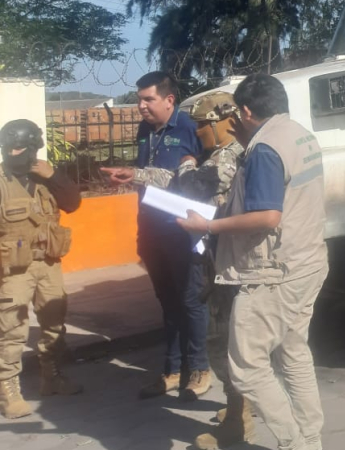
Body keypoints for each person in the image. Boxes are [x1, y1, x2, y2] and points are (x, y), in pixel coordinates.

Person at [179, 73, 328, 450]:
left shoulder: (264, 148)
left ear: (246, 111)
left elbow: (267, 216)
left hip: (272, 275)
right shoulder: (299, 134)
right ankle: (311, 439)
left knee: (246, 369)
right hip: (307, 262)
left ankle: (295, 442)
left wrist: (209, 225)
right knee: (293, 354)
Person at [101, 71, 210, 400]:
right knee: (168, 303)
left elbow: (196, 183)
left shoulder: (192, 129)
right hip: (151, 229)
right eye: (139, 100)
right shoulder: (145, 130)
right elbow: (147, 177)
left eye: (148, 99)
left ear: (169, 100)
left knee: (191, 300)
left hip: (182, 231)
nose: (141, 106)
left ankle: (200, 369)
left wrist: (134, 173)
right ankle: (172, 371)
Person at [176, 91, 252, 450]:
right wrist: (138, 174)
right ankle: (239, 406)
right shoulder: (221, 156)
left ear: (223, 121)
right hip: (217, 261)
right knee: (225, 338)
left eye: (203, 125)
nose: (199, 132)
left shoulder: (229, 157)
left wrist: (186, 164)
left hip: (228, 266)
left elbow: (193, 184)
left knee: (223, 340)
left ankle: (239, 418)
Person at [0, 119, 83, 420]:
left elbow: (73, 203)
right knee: (12, 329)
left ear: (34, 147)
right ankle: (8, 389)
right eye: (9, 147)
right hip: (14, 269)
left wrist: (54, 175)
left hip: (48, 262)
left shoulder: (47, 178)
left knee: (53, 323)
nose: (14, 152)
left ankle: (52, 376)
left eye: (20, 147)